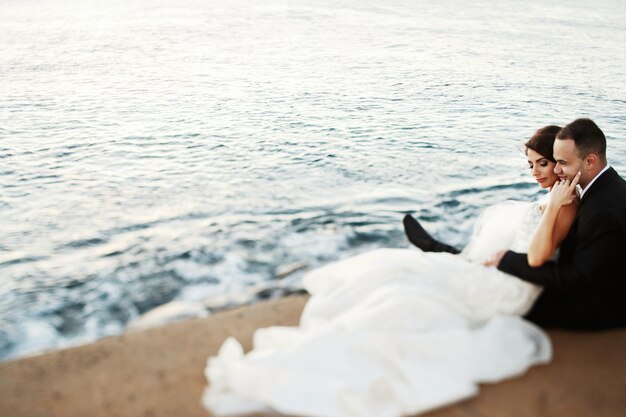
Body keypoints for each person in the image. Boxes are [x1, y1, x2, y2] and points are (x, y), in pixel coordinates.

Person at [201, 126, 572, 417]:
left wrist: (553, 208)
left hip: (506, 287)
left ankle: (433, 254)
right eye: (530, 164)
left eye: (542, 163)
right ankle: (437, 251)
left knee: (403, 298)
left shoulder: (561, 203)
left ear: (559, 162)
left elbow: (538, 257)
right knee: (395, 273)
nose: (536, 172)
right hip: (492, 270)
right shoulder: (550, 197)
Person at [489, 118, 626, 330]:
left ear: (590, 161)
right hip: (603, 285)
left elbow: (577, 279)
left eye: (562, 163)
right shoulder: (612, 187)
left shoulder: (600, 210)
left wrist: (509, 261)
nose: (558, 171)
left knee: (491, 310)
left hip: (597, 310)